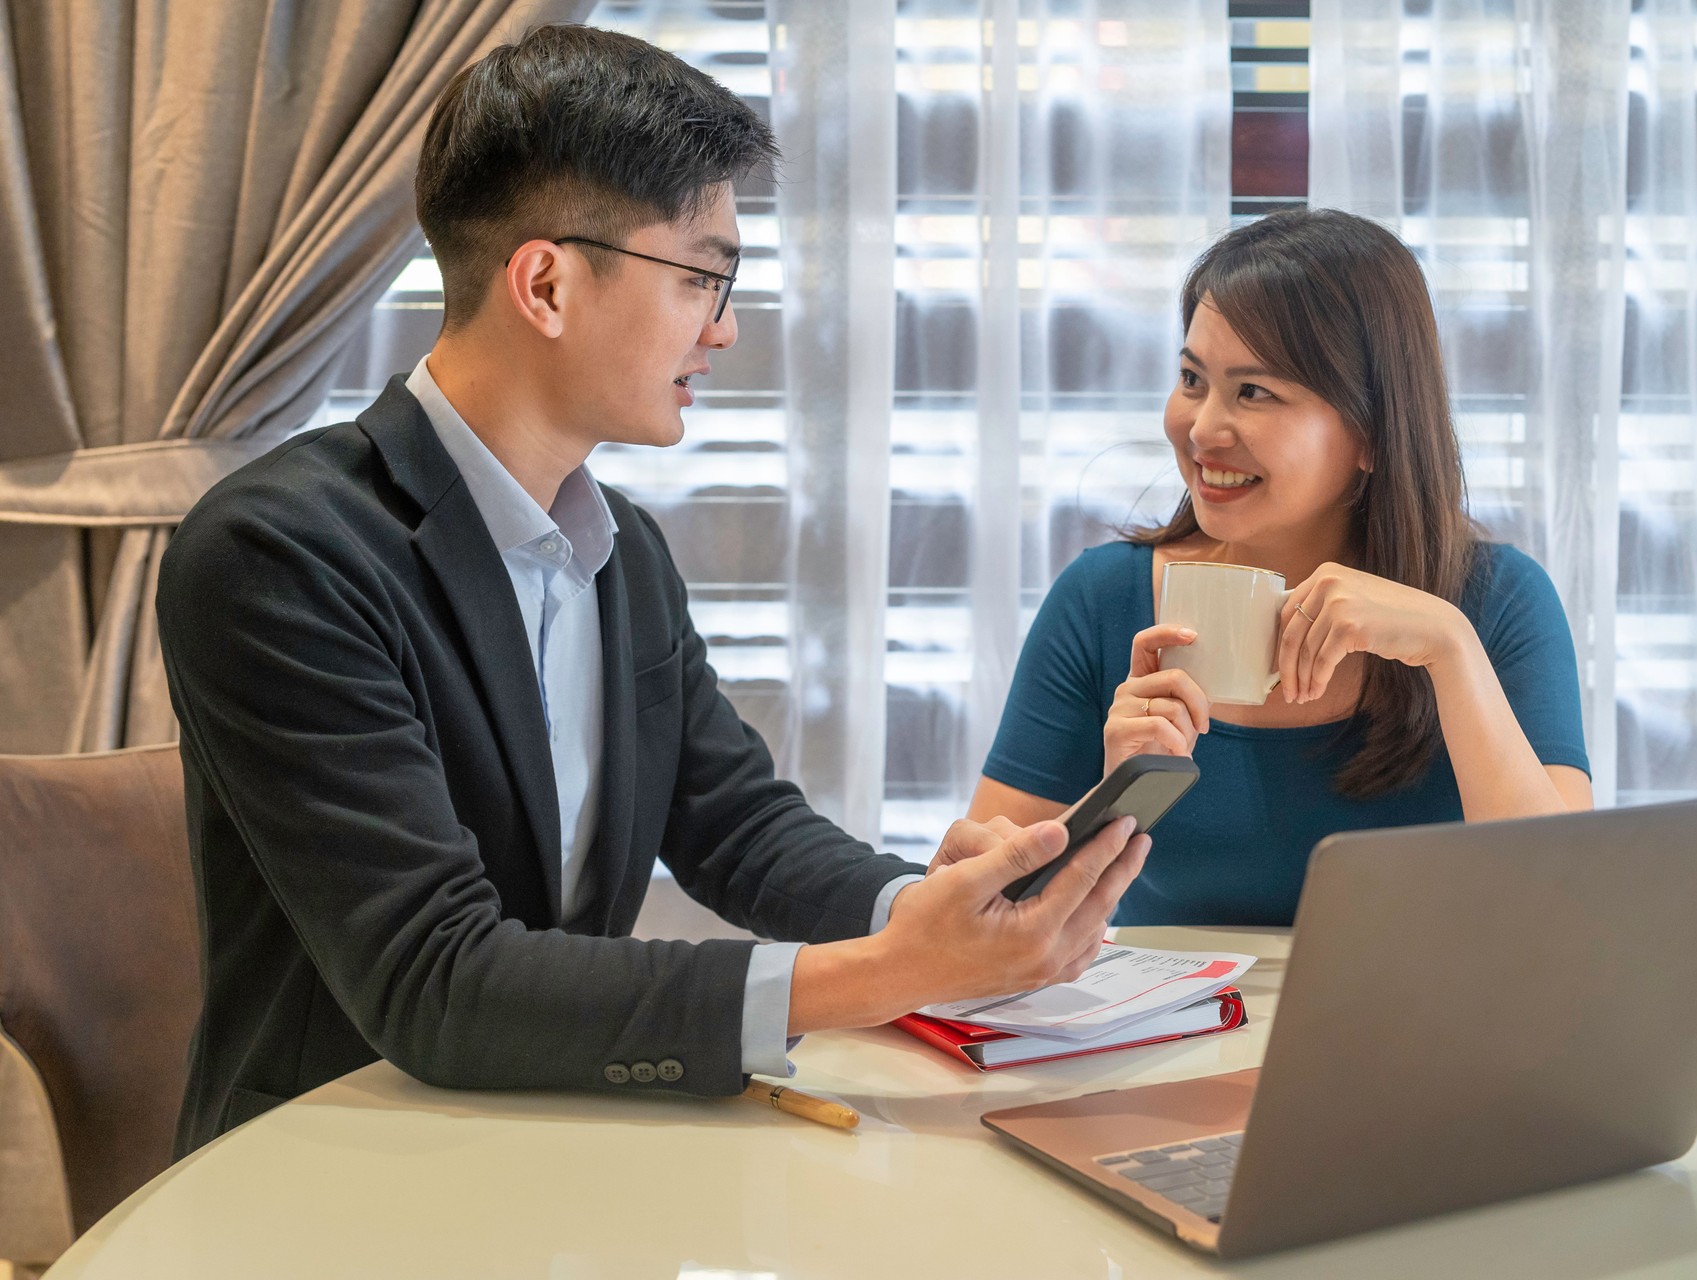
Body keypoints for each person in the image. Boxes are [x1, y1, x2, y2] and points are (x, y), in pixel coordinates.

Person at [158, 24, 1148, 1157]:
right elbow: (436, 980)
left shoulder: (620, 545)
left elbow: (736, 824)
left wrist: (918, 913)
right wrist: (888, 972)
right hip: (326, 1168)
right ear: (546, 283)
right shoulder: (279, 553)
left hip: (557, 1133)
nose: (724, 327)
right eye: (699, 278)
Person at [969, 209, 1591, 926]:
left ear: (1372, 432)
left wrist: (1451, 649)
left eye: (1254, 392)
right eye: (1192, 378)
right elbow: (977, 912)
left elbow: (1560, 908)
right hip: (1170, 1005)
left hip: (1413, 1003)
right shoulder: (1102, 599)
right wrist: (1115, 799)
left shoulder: (1498, 601)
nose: (1202, 429)